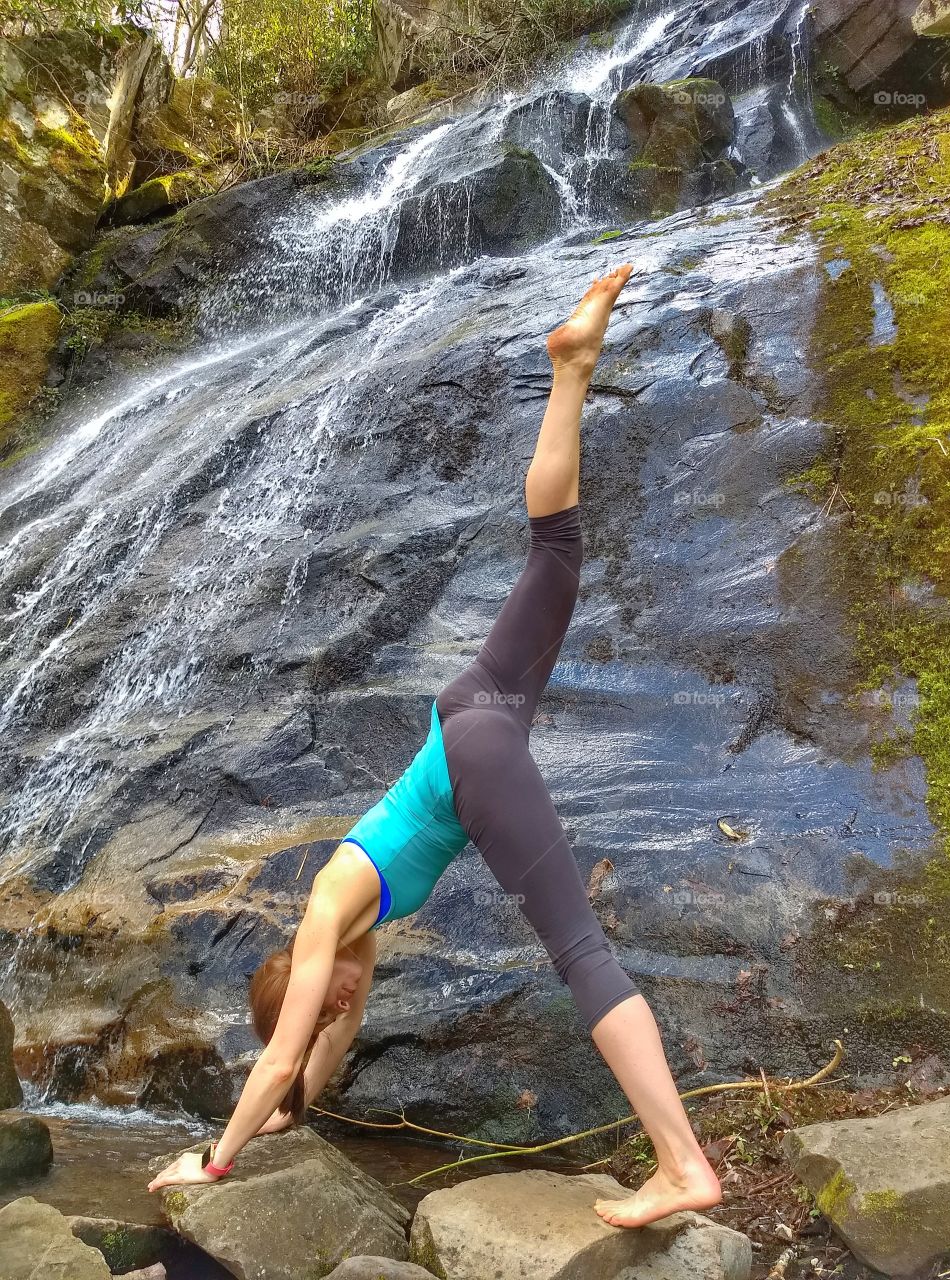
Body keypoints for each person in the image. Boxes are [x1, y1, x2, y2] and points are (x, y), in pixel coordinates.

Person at [148, 265, 722, 1229]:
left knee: (579, 949)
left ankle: (682, 1166)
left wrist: (214, 1160)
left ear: (298, 979)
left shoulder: (325, 912)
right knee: (556, 549)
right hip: (480, 710)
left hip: (472, 754)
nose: (341, 1008)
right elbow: (313, 1060)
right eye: (336, 1009)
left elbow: (284, 1053)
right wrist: (291, 1114)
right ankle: (572, 367)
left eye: (323, 1002)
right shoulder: (357, 939)